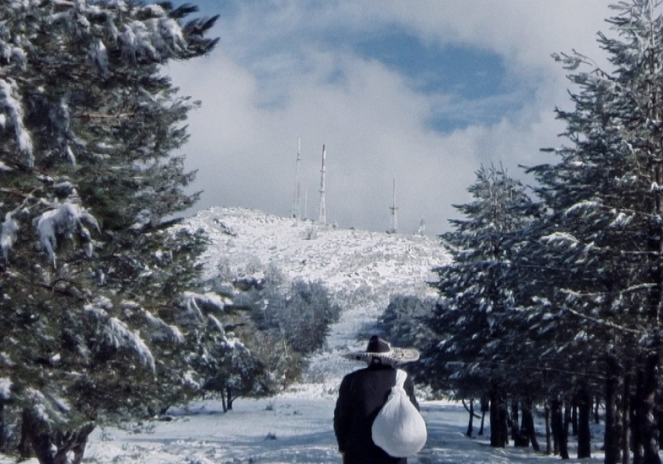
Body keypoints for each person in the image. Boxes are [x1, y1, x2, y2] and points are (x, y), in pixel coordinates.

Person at [334, 335, 420, 464]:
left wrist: (343, 447)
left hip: (358, 451)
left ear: (368, 358)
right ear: (390, 357)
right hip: (393, 451)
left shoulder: (351, 380)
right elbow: (413, 413)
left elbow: (341, 418)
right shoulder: (402, 378)